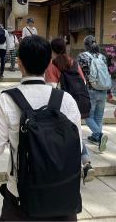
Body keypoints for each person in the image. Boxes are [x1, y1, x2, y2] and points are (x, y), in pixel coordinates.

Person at [0, 35, 82, 221]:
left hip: (20, 199)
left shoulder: (6, 100)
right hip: (63, 198)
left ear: (20, 62)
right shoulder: (66, 99)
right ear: (49, 62)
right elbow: (78, 148)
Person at [45, 37, 94, 183]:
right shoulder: (74, 62)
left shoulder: (52, 65)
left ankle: (68, 169)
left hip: (61, 106)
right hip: (77, 105)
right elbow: (83, 82)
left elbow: (51, 90)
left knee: (62, 137)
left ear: (52, 50)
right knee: (76, 133)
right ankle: (86, 163)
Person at [77, 35, 110, 153]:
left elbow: (79, 75)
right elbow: (106, 73)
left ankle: (99, 135)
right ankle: (96, 138)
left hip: (90, 90)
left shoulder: (82, 56)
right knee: (98, 116)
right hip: (104, 89)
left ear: (86, 45)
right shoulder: (102, 57)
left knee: (87, 116)